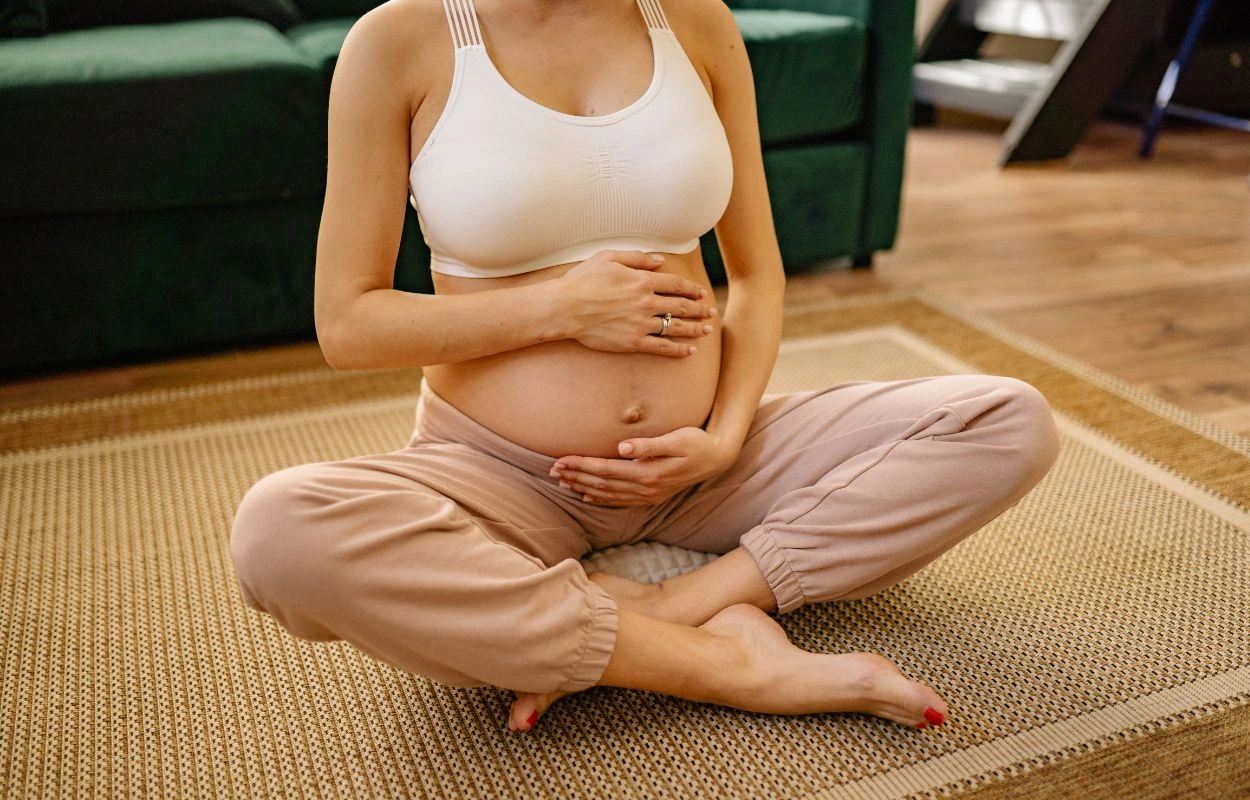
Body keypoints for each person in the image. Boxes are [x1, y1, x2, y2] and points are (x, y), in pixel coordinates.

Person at [229, 0, 1060, 735]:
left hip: (704, 466)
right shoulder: (401, 39)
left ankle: (665, 604)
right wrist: (559, 308)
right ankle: (729, 666)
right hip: (500, 476)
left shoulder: (695, 21)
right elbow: (349, 324)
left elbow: (759, 276)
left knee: (1007, 421)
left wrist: (727, 436)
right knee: (280, 530)